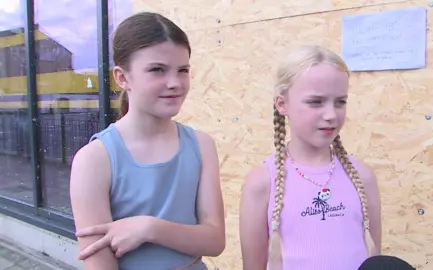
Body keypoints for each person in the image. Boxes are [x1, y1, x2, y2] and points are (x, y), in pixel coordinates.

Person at [69, 12, 225, 270]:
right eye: (157, 70)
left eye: (183, 70)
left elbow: (215, 241)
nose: (174, 83)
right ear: (122, 77)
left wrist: (149, 227)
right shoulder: (94, 159)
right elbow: (99, 264)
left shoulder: (201, 145)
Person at [239, 45, 382, 270]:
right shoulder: (261, 183)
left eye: (340, 102)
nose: (331, 115)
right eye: (316, 102)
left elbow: (374, 260)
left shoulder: (362, 177)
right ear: (282, 104)